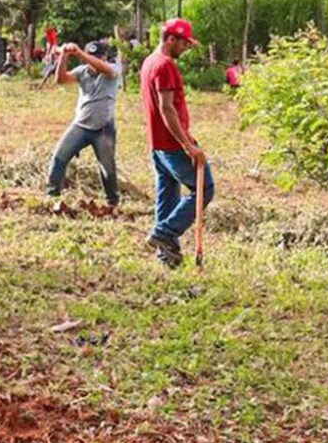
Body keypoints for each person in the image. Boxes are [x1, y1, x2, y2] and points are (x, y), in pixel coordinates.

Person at [139, 18, 213, 268]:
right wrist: (187, 145)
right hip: (172, 144)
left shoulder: (149, 61)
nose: (186, 48)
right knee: (204, 189)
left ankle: (167, 256)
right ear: (171, 39)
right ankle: (164, 233)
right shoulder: (165, 65)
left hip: (157, 143)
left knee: (167, 196)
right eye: (183, 43)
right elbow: (167, 108)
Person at [46, 40, 122, 209]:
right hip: (81, 126)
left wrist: (79, 53)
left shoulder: (113, 69)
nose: (94, 61)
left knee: (107, 167)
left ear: (105, 57)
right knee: (59, 157)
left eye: (99, 57)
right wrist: (64, 55)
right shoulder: (82, 71)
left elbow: (103, 68)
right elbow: (61, 80)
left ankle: (112, 202)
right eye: (91, 57)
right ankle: (52, 195)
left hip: (103, 128)